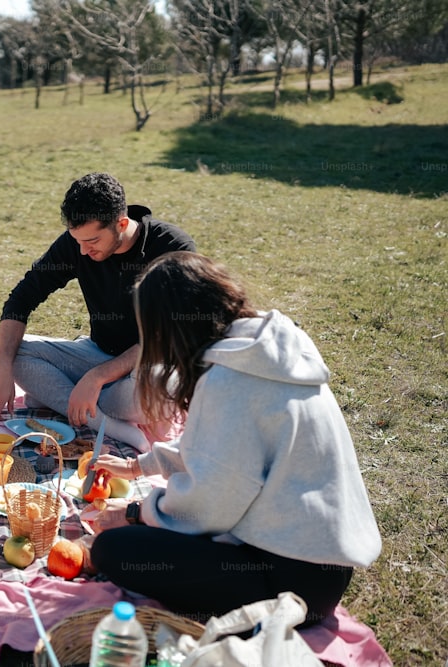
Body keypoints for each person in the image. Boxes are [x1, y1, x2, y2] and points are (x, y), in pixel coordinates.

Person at [89, 251, 381, 626]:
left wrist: (134, 514)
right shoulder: (262, 349)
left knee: (114, 549)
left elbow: (210, 504)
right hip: (319, 565)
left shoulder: (228, 380)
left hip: (291, 586)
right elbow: (222, 449)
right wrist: (140, 466)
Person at [0, 172, 195, 448]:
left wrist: (97, 377)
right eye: (78, 241)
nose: (83, 251)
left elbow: (166, 337)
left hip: (149, 365)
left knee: (163, 389)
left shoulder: (173, 248)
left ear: (121, 223)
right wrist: (1, 370)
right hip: (97, 354)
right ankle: (111, 424)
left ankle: (68, 397)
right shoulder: (78, 243)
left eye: (93, 241)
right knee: (8, 352)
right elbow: (22, 298)